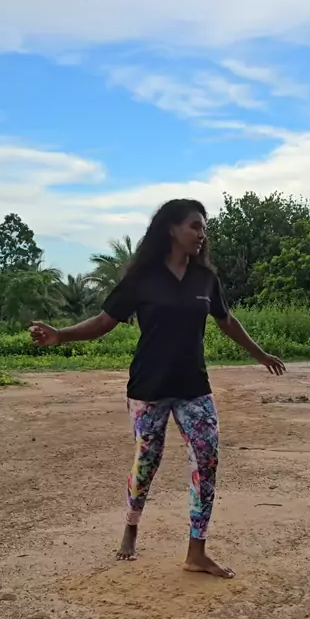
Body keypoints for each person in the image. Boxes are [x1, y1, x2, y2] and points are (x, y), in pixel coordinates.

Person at [29, 199, 285, 579]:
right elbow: (103, 321)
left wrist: (260, 354)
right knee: (147, 462)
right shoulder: (142, 278)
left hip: (193, 385)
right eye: (195, 226)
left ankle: (196, 552)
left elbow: (227, 320)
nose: (202, 234)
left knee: (207, 461)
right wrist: (61, 335)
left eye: (204, 227)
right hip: (148, 387)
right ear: (171, 229)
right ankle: (131, 525)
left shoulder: (205, 279)